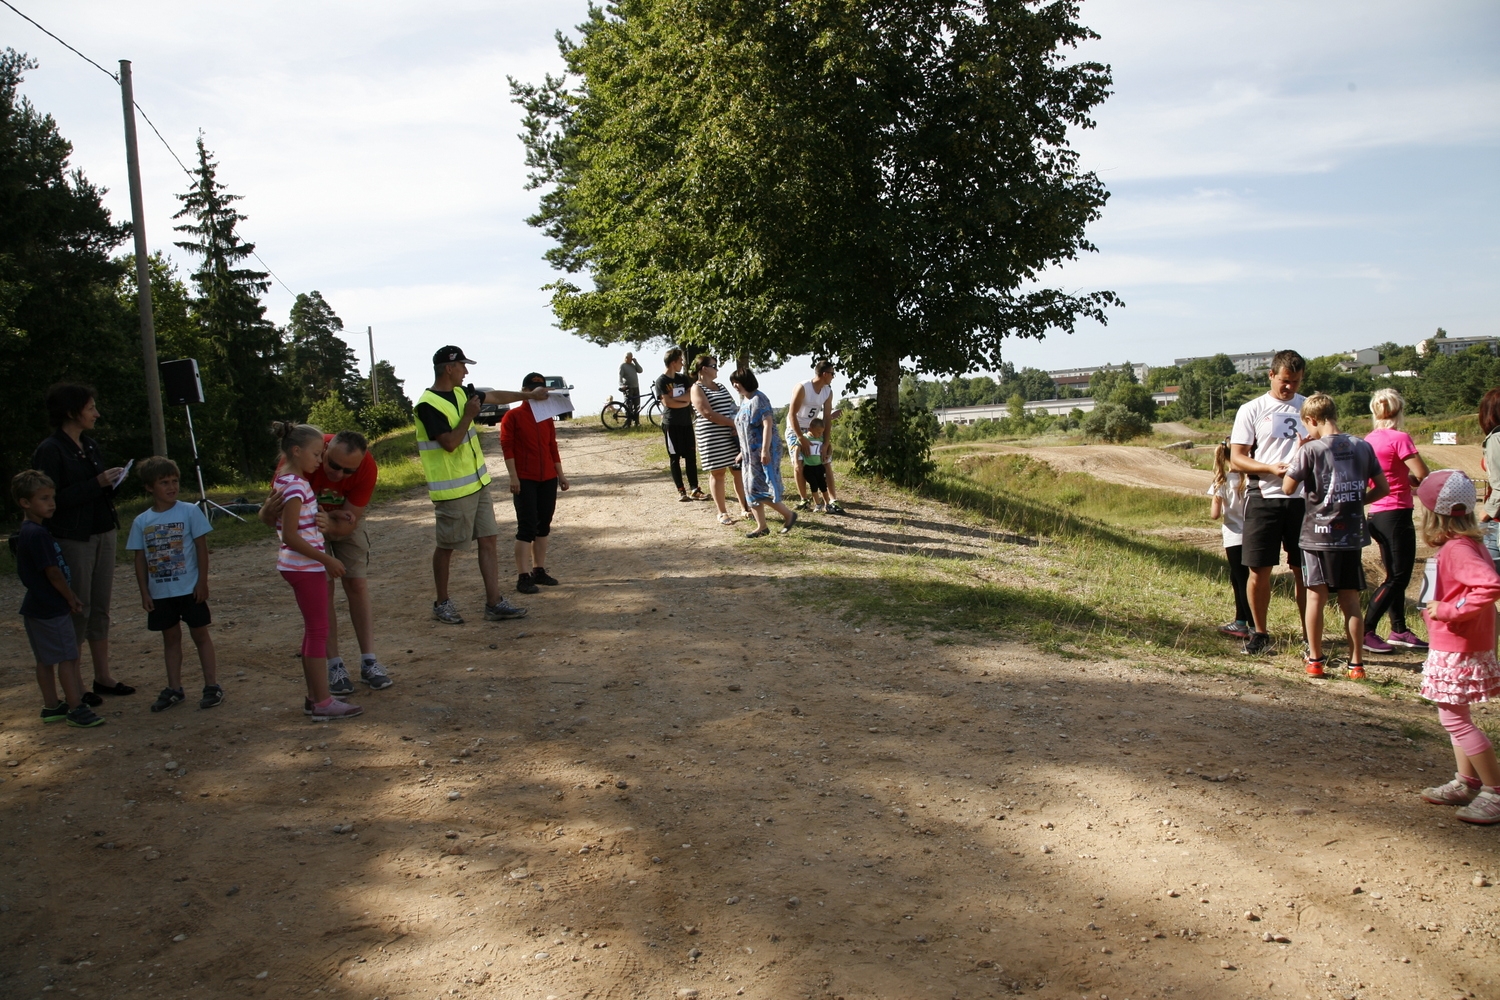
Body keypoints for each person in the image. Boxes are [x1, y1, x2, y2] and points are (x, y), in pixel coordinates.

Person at [416, 346, 547, 625]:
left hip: (477, 485)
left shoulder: (463, 393)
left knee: (488, 540)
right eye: (463, 366)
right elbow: (449, 443)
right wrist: (467, 416)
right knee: (447, 546)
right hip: (452, 492)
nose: (466, 371)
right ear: (449, 368)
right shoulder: (427, 405)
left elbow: (497, 395)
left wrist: (529, 396)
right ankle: (441, 603)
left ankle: (494, 602)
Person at [260, 430, 392, 695]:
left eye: (348, 472)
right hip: (307, 535)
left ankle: (369, 661)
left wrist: (332, 523)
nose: (338, 475)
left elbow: (349, 525)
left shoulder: (366, 467)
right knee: (324, 593)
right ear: (326, 449)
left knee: (357, 584)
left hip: (336, 524)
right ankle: (335, 665)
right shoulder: (303, 455)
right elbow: (272, 518)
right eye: (332, 464)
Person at [30, 383, 133, 703]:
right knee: (79, 608)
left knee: (99, 608)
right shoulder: (50, 449)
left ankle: (102, 676)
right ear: (73, 412)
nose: (96, 413)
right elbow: (50, 499)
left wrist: (112, 483)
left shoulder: (88, 445)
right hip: (75, 538)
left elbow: (96, 489)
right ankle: (76, 685)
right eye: (91, 408)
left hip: (103, 531)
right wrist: (95, 484)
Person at [1413, 469, 1500, 824]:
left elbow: (1491, 585)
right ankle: (1467, 782)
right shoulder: (1463, 544)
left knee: (1454, 717)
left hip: (1458, 647)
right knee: (1455, 715)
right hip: (1452, 643)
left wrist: (1450, 610)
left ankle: (1494, 792)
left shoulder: (1459, 550)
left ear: (1433, 514)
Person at [1282, 393, 1387, 679]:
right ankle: (1356, 665)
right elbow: (1383, 488)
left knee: (1316, 596)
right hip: (1351, 533)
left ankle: (1315, 660)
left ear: (1312, 420)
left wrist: (1298, 452)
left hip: (1317, 534)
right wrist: (1355, 501)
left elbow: (1289, 487)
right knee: (1350, 600)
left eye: (1308, 426)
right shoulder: (1362, 447)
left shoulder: (1311, 450)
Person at [270, 421, 362, 720]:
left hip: (300, 565)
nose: (320, 461)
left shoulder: (287, 481)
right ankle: (323, 702)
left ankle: (315, 697)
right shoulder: (296, 485)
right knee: (318, 631)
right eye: (316, 454)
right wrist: (327, 561)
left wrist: (331, 514)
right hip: (305, 566)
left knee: (314, 631)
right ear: (297, 452)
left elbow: (298, 522)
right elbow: (290, 535)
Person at [126, 457, 222, 712]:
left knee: (200, 635)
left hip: (189, 589)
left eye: (175, 481)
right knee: (170, 639)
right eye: (164, 482)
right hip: (161, 592)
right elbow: (140, 558)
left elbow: (202, 548)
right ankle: (174, 688)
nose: (171, 487)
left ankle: (212, 685)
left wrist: (202, 581)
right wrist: (144, 591)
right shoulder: (141, 521)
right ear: (149, 487)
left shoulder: (189, 511)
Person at [1229, 350, 1309, 655]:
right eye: (1285, 382)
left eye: (1296, 382)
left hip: (1302, 500)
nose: (1290, 388)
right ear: (1271, 376)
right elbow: (1237, 459)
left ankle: (1308, 635)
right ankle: (1259, 633)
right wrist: (1270, 468)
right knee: (1258, 569)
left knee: (1304, 570)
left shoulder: (1308, 408)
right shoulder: (1252, 409)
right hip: (1264, 497)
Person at [10, 470, 103, 728]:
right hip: (51, 608)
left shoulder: (28, 530)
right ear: (25, 503)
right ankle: (75, 707)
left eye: (52, 497)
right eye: (43, 498)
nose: (51, 503)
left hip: (35, 608)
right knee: (67, 657)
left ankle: (52, 706)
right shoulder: (37, 534)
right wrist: (71, 597)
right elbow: (52, 572)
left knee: (45, 659)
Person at [1363, 387, 1429, 654]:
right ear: (1400, 411)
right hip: (1397, 512)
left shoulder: (1368, 439)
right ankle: (1367, 629)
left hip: (1376, 512)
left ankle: (1399, 629)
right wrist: (1411, 480)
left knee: (1394, 574)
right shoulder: (1400, 438)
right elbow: (1422, 473)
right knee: (1399, 577)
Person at [501, 372, 570, 594]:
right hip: (525, 479)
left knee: (544, 525)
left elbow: (552, 447)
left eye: (543, 390)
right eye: (535, 389)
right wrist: (513, 476)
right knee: (527, 527)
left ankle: (538, 570)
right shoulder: (512, 416)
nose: (541, 394)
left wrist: (560, 475)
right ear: (525, 390)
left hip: (547, 477)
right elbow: (507, 447)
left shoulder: (546, 417)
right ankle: (523, 577)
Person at [730, 368, 797, 538]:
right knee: (750, 489)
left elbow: (767, 424)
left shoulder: (759, 399)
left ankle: (788, 515)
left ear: (745, 380)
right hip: (749, 455)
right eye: (733, 383)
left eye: (736, 382)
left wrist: (765, 450)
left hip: (762, 452)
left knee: (758, 488)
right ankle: (762, 527)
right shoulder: (745, 401)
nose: (734, 385)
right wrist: (741, 452)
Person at [689, 354, 753, 525]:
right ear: (704, 368)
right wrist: (733, 423)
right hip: (711, 436)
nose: (717, 369)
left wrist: (737, 424)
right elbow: (707, 413)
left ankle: (745, 508)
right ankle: (722, 512)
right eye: (714, 365)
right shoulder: (696, 388)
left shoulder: (721, 386)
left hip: (731, 434)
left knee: (738, 471)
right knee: (718, 473)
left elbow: (733, 407)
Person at [786, 361, 845, 513]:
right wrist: (801, 437)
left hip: (814, 429)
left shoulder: (828, 391)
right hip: (796, 429)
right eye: (832, 373)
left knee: (825, 461)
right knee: (799, 464)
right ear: (824, 374)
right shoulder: (802, 387)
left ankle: (832, 501)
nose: (833, 377)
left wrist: (826, 442)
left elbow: (826, 418)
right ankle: (804, 500)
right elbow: (792, 414)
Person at [1208, 441, 1252, 640]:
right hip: (1252, 534)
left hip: (1233, 537)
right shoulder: (1249, 479)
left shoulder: (1222, 481)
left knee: (1241, 580)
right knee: (1241, 579)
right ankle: (1241, 620)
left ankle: (1250, 625)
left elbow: (1214, 515)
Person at [656, 348, 707, 502]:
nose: (682, 363)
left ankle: (694, 489)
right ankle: (681, 490)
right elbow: (667, 403)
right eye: (680, 361)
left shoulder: (683, 379)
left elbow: (690, 396)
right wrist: (682, 401)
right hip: (671, 424)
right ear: (673, 362)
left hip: (686, 423)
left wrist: (679, 399)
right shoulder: (662, 381)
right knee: (675, 457)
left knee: (691, 456)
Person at [1478, 388, 1500, 573]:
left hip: (1498, 519)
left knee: (1487, 583)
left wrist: (1485, 514)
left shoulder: (1496, 438)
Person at [800, 417, 831, 512]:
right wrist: (798, 460)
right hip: (808, 467)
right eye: (818, 432)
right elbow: (797, 446)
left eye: (822, 432)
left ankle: (827, 504)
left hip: (819, 466)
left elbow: (829, 446)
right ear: (810, 429)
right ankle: (817, 505)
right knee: (813, 485)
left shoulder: (821, 439)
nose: (820, 434)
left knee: (823, 485)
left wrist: (828, 455)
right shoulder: (805, 438)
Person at [619, 350, 644, 427]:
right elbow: (620, 377)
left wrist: (636, 362)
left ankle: (636, 421)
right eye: (630, 358)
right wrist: (621, 385)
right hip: (628, 388)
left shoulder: (633, 365)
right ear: (626, 358)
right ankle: (628, 423)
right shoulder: (623, 366)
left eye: (632, 358)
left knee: (637, 405)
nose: (631, 359)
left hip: (636, 387)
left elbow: (640, 370)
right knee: (628, 405)